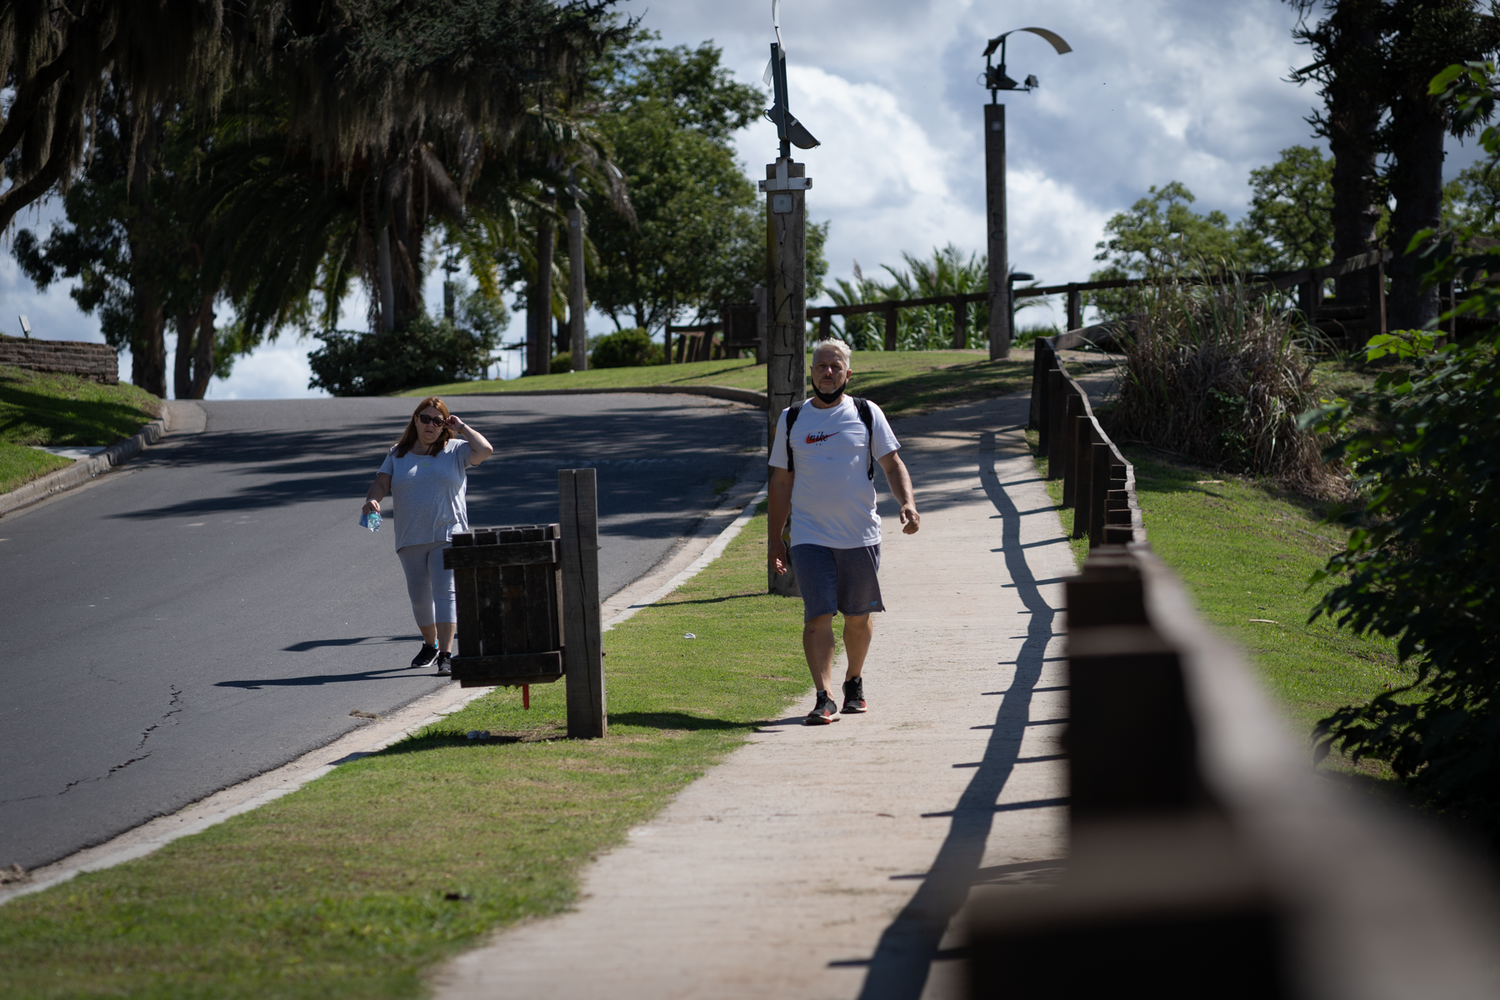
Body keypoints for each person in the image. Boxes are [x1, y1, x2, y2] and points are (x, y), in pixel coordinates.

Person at [768, 340, 920, 724]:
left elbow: (892, 464)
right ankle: (824, 696)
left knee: (857, 616)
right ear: (811, 372)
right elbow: (782, 483)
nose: (828, 372)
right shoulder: (791, 419)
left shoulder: (867, 413)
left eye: (835, 366)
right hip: (808, 536)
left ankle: (854, 679)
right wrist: (775, 539)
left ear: (848, 374)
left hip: (859, 536)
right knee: (818, 615)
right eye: (821, 366)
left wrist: (907, 502)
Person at [361, 397, 494, 675]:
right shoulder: (398, 453)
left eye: (437, 420)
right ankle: (430, 645)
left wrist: (462, 428)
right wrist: (373, 500)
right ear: (415, 420)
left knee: (445, 593)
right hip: (410, 536)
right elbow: (381, 482)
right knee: (420, 598)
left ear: (444, 424)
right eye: (425, 418)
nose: (430, 424)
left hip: (448, 531)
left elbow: (485, 449)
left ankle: (446, 654)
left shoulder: (456, 450)